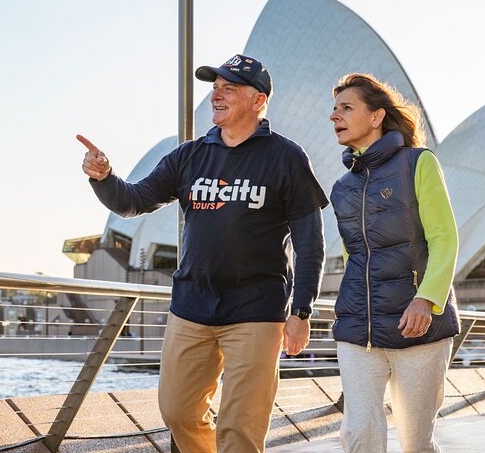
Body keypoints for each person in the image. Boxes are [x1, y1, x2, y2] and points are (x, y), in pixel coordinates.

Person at [77, 54, 329, 452]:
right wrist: (105, 177)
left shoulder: (286, 157)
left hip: (257, 310)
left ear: (258, 100)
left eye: (229, 89)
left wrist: (301, 312)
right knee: (177, 411)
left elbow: (310, 240)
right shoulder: (189, 155)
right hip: (191, 306)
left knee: (241, 427)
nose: (217, 96)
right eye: (215, 89)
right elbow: (134, 201)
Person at [329, 73, 460, 452]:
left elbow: (444, 239)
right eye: (334, 109)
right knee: (359, 433)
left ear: (376, 116)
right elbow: (353, 254)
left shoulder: (419, 163)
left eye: (346, 107)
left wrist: (427, 299)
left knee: (415, 440)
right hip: (358, 328)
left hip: (416, 325)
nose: (334, 115)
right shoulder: (343, 187)